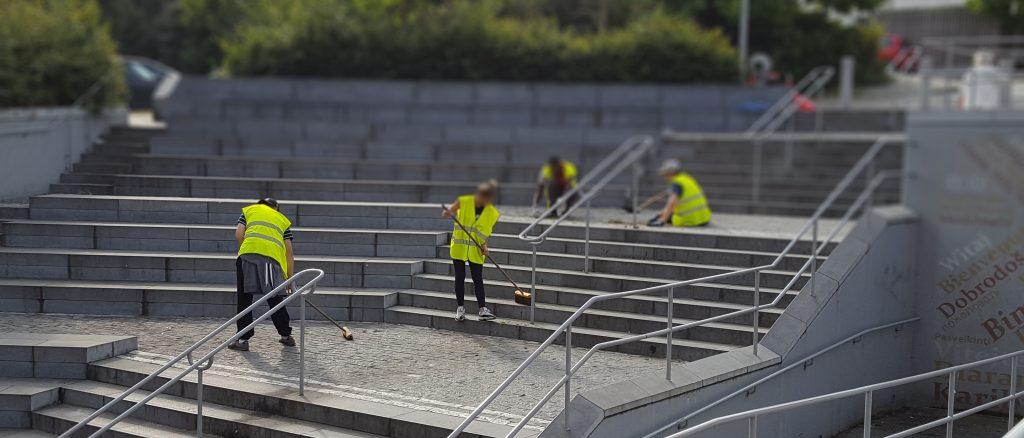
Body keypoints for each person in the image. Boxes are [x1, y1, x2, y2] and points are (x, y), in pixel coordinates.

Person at [228, 197, 296, 352]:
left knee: (244, 299)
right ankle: (286, 335)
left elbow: (239, 234)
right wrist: (289, 279)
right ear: (276, 208)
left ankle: (243, 340)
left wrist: (251, 247)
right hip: (270, 260)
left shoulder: (249, 211)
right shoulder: (282, 220)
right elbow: (289, 253)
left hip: (247, 255)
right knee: (274, 298)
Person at [443, 180, 501, 322]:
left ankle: (482, 310)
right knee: (459, 278)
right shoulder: (464, 201)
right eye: (480, 197)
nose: (481, 200)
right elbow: (448, 212)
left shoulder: (492, 213)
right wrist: (448, 212)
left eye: (486, 198)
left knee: (477, 279)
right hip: (459, 247)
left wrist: (485, 246)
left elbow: (486, 232)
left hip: (476, 249)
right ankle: (460, 309)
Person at [649, 159, 712, 227]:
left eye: (665, 174)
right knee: (666, 214)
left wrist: (662, 220)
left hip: (689, 220)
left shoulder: (677, 183)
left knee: (671, 217)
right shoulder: (686, 178)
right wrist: (661, 213)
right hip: (703, 218)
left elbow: (671, 204)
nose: (665, 177)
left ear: (670, 172)